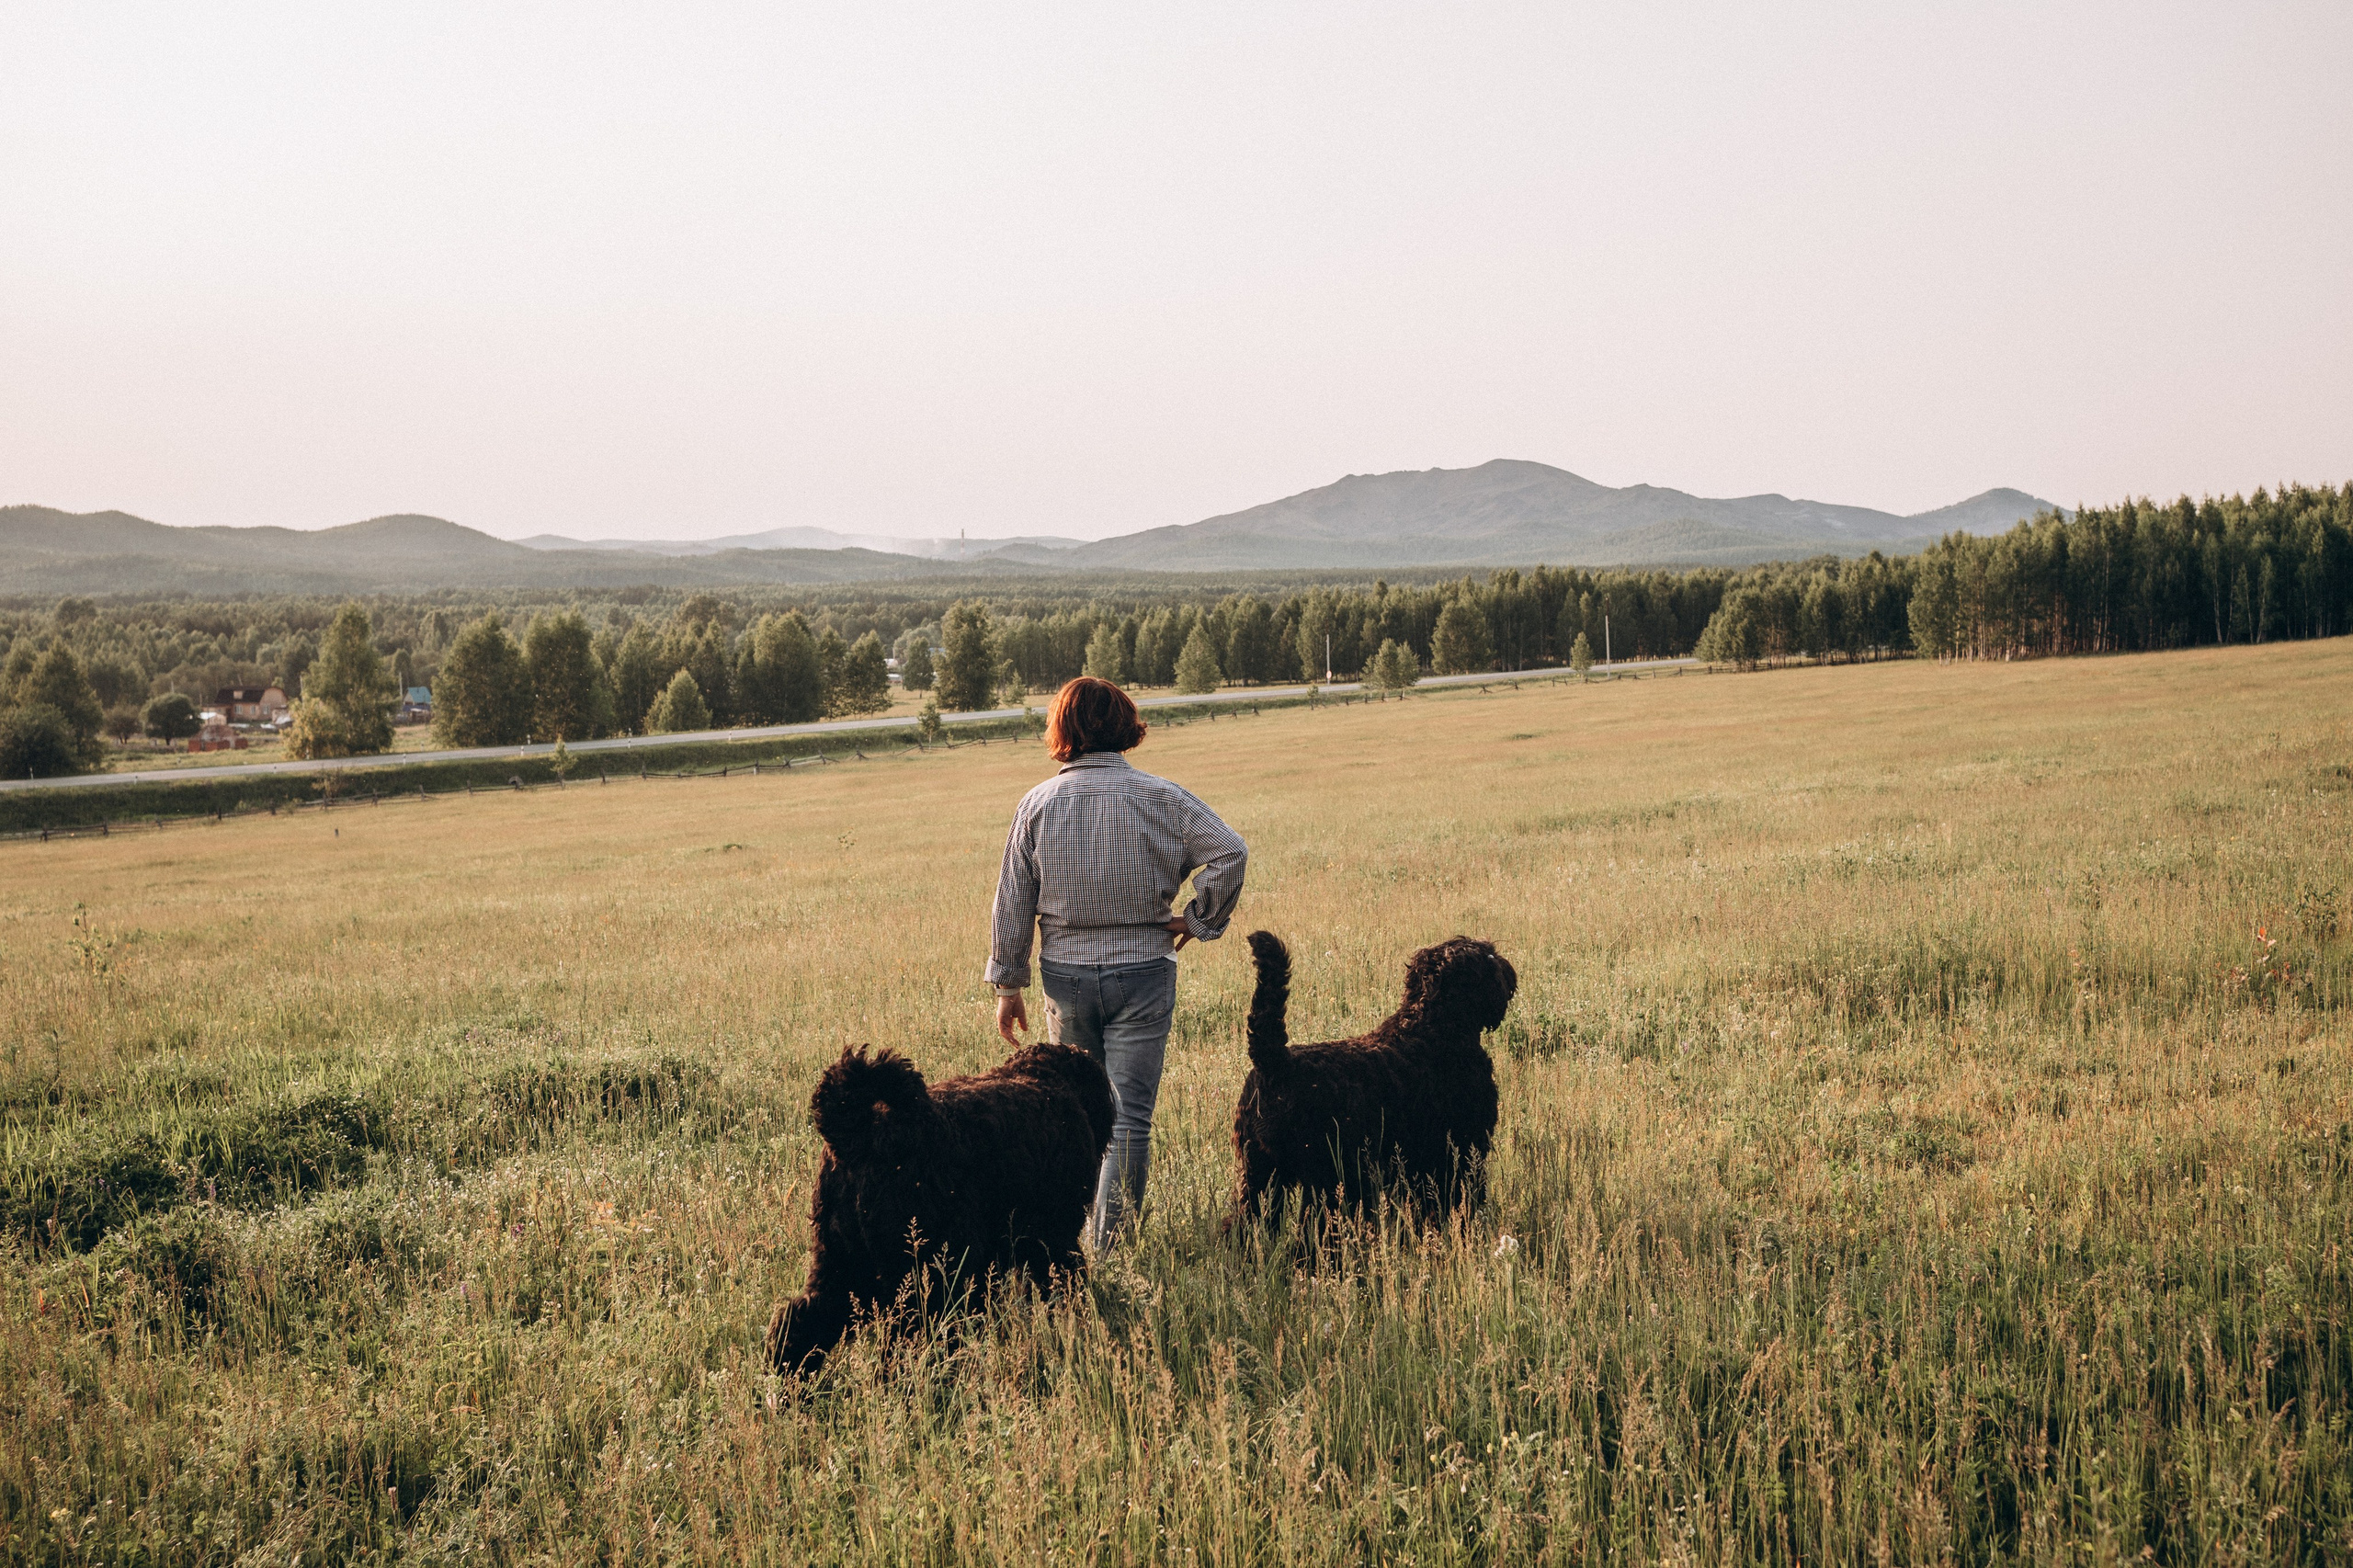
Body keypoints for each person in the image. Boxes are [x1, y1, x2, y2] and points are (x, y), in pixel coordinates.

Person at [988, 676, 1248, 1252]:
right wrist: (1198, 921)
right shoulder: (1164, 798)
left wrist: (1008, 986)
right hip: (1145, 972)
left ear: (1062, 729)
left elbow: (1012, 902)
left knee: (1078, 1116)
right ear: (1125, 724)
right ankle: (1113, 1251)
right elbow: (1231, 852)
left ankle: (1071, 1244)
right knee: (1130, 1120)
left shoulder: (1038, 804)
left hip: (1066, 979)